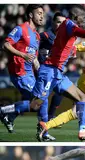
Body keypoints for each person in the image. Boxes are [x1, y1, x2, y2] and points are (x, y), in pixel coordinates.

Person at [0, 4, 85, 141]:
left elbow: (66, 44)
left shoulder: (51, 32)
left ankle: (83, 130)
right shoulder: (68, 25)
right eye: (83, 17)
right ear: (75, 17)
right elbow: (82, 33)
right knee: (37, 104)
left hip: (57, 73)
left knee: (82, 98)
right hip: (47, 72)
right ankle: (6, 112)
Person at [1, 5, 44, 134]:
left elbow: (33, 57)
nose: (42, 16)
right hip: (19, 72)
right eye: (39, 13)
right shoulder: (21, 29)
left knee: (34, 104)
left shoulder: (36, 36)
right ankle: (3, 111)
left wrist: (39, 69)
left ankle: (9, 117)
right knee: (39, 100)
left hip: (29, 73)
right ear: (31, 15)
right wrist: (22, 55)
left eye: (42, 14)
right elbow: (6, 44)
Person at [38, 12, 67, 127]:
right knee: (38, 101)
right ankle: (9, 111)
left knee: (60, 92)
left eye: (63, 23)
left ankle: (50, 116)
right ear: (53, 22)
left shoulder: (64, 38)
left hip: (54, 72)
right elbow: (32, 46)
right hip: (44, 71)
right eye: (58, 22)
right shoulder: (45, 35)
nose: (60, 25)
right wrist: (39, 57)